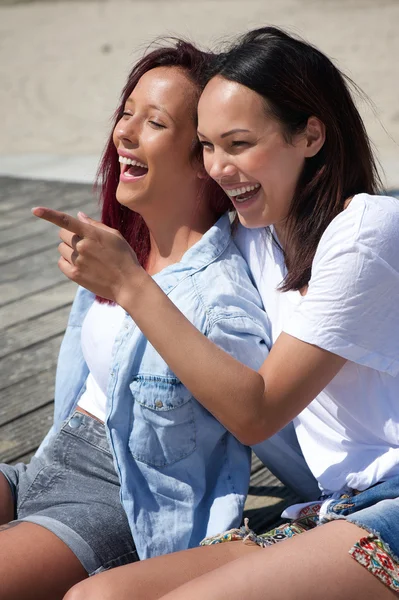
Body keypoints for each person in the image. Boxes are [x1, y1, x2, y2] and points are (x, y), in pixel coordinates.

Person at [39, 26, 399, 600]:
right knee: (95, 596)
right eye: (206, 146)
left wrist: (130, 283)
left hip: (391, 501)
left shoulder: (364, 231)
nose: (219, 168)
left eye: (239, 143)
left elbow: (259, 412)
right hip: (332, 506)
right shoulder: (259, 237)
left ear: (310, 135)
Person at [0, 38, 317, 600]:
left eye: (154, 122)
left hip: (121, 501)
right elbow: (79, 374)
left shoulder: (218, 299)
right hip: (49, 461)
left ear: (203, 159)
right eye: (126, 113)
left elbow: (270, 420)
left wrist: (342, 509)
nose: (123, 132)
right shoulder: (121, 249)